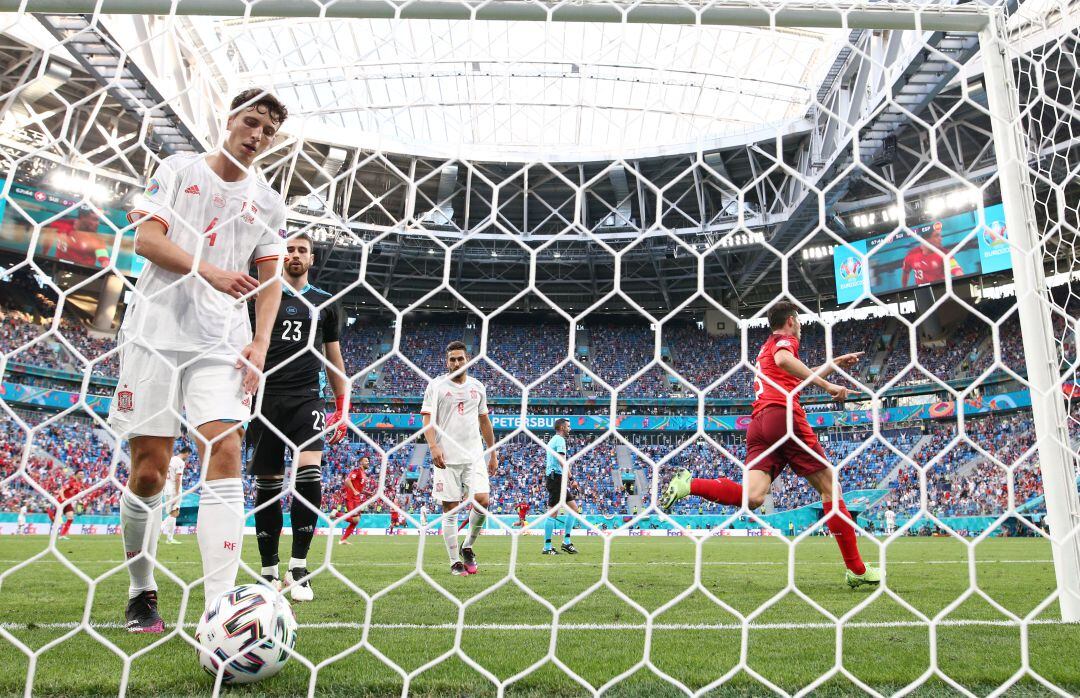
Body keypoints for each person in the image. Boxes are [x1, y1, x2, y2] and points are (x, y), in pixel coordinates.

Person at [108, 88, 288, 632]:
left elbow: (271, 275)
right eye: (250, 122)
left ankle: (221, 609)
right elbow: (146, 240)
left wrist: (259, 342)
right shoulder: (177, 168)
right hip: (155, 334)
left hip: (220, 340)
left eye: (267, 132)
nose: (255, 137)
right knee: (149, 472)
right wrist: (210, 271)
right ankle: (142, 589)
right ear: (229, 119)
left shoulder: (269, 202)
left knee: (226, 448)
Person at [661, 301, 881, 589]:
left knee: (753, 497)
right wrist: (829, 387)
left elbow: (790, 374)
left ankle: (691, 484)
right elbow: (784, 361)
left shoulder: (765, 347)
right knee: (831, 488)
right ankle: (857, 569)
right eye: (798, 320)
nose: (800, 326)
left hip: (759, 424)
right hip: (784, 417)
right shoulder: (783, 342)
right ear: (790, 320)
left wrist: (834, 364)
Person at [247, 231, 348, 602]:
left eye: (301, 250)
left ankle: (299, 568)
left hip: (307, 399)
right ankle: (269, 571)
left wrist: (342, 406)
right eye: (289, 249)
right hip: (265, 399)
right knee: (269, 485)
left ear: (311, 259)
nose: (294, 254)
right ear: (279, 256)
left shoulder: (326, 303)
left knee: (309, 473)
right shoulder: (261, 297)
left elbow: (333, 356)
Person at [422, 340, 497, 576]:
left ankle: (468, 546)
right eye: (452, 359)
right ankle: (455, 561)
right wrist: (433, 446)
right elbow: (427, 419)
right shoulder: (436, 386)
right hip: (447, 458)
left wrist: (492, 452)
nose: (456, 362)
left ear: (468, 360)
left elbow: (484, 421)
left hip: (474, 456)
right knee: (450, 509)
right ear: (447, 362)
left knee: (483, 500)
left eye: (460, 358)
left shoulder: (478, 387)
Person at [542, 418, 579, 555]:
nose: (570, 428)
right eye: (568, 426)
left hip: (558, 478)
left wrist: (569, 478)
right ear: (562, 427)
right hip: (555, 478)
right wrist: (571, 478)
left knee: (574, 508)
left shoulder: (554, 440)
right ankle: (547, 547)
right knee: (553, 512)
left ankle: (566, 542)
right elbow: (562, 460)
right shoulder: (559, 440)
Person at [900, 222, 964, 287]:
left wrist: (962, 279)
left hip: (940, 290)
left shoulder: (944, 253)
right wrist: (904, 289)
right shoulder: (911, 254)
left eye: (940, 235)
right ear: (926, 240)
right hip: (922, 292)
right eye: (936, 236)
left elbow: (956, 269)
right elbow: (905, 272)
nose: (940, 238)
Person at [160, 447, 192, 545]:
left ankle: (169, 539)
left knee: (173, 513)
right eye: (189, 455)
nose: (189, 457)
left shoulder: (171, 459)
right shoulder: (180, 462)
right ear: (187, 453)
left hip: (167, 489)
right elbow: (178, 478)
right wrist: (178, 492)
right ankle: (160, 528)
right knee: (175, 513)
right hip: (174, 490)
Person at [340, 456, 370, 544]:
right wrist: (354, 491)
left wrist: (366, 492)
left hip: (356, 498)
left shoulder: (364, 474)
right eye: (366, 461)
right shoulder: (357, 470)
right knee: (356, 519)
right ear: (361, 463)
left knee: (355, 521)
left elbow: (358, 488)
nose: (368, 462)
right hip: (351, 497)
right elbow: (347, 481)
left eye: (368, 461)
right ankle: (336, 514)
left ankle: (343, 540)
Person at [55, 471, 86, 539]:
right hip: (61, 501)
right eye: (80, 474)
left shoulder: (79, 484)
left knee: (70, 517)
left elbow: (76, 495)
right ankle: (55, 533)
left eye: (83, 474)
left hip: (68, 502)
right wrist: (63, 498)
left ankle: (62, 535)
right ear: (76, 475)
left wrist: (80, 501)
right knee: (57, 518)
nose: (82, 475)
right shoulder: (71, 482)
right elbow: (61, 491)